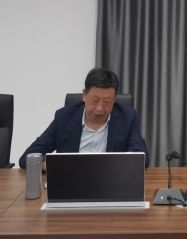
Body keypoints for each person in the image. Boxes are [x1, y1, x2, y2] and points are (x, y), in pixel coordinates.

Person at [19, 68, 149, 168]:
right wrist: (53, 167)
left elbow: (142, 159)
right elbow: (27, 158)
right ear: (84, 95)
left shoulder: (127, 117)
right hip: (71, 184)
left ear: (115, 99)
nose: (99, 108)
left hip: (111, 183)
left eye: (107, 102)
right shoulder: (64, 117)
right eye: (95, 100)